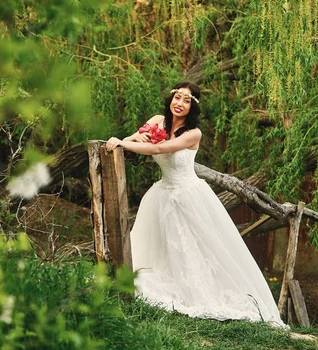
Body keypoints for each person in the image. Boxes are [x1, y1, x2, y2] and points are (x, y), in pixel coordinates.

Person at [106, 82, 286, 328]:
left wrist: (125, 143)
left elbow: (159, 148)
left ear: (193, 107)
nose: (179, 103)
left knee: (197, 248)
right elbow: (138, 138)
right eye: (177, 97)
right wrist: (128, 138)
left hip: (190, 195)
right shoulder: (158, 120)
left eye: (186, 100)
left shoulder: (193, 134)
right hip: (162, 193)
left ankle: (205, 292)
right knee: (160, 248)